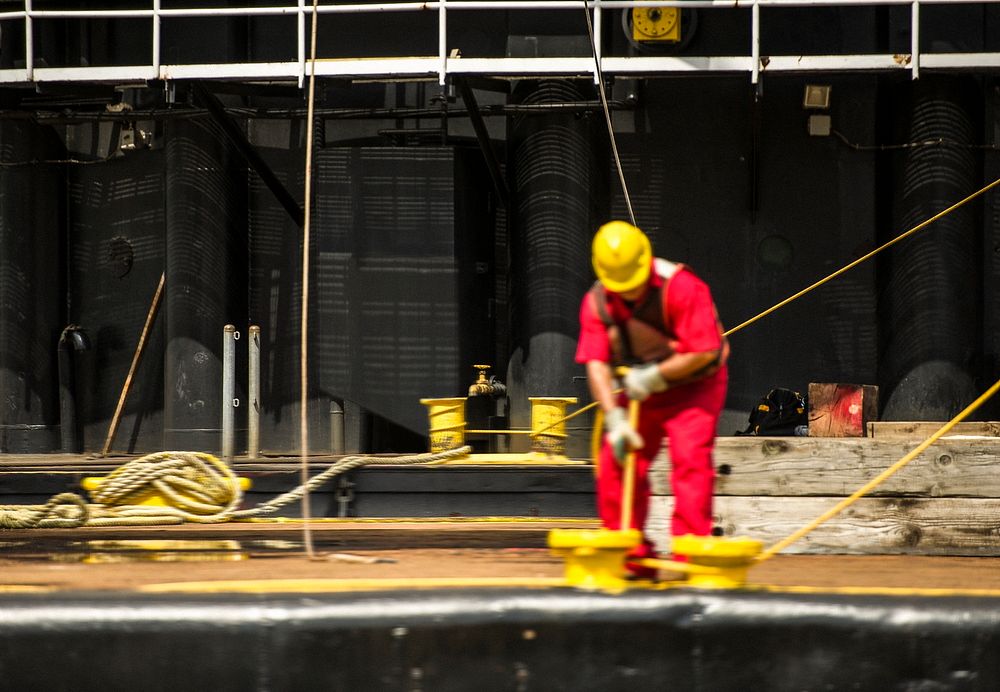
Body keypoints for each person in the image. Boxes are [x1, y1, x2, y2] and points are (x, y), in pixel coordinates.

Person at [575, 220, 728, 578]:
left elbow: (705, 351)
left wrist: (657, 376)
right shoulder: (596, 303)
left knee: (690, 460)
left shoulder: (682, 287)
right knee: (617, 459)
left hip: (694, 388)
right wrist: (613, 420)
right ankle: (628, 551)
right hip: (640, 391)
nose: (629, 292)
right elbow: (596, 363)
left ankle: (691, 555)